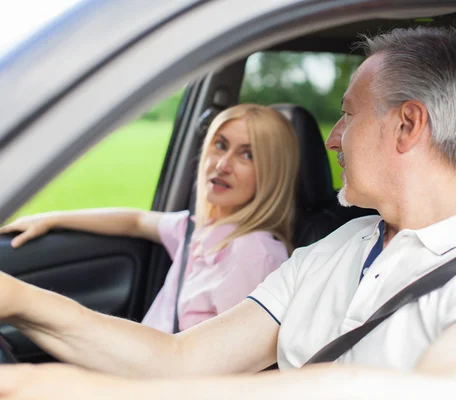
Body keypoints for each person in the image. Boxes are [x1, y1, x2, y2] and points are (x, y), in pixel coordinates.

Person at [0, 27, 456, 400]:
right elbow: (181, 358)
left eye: (347, 116)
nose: (334, 139)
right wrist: (22, 302)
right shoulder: (336, 250)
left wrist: (64, 390)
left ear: (408, 125)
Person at [0, 103, 299, 334]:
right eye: (220, 145)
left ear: (271, 173)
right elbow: (136, 221)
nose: (222, 164)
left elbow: (230, 366)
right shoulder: (195, 229)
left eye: (247, 155)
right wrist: (52, 219)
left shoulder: (254, 254)